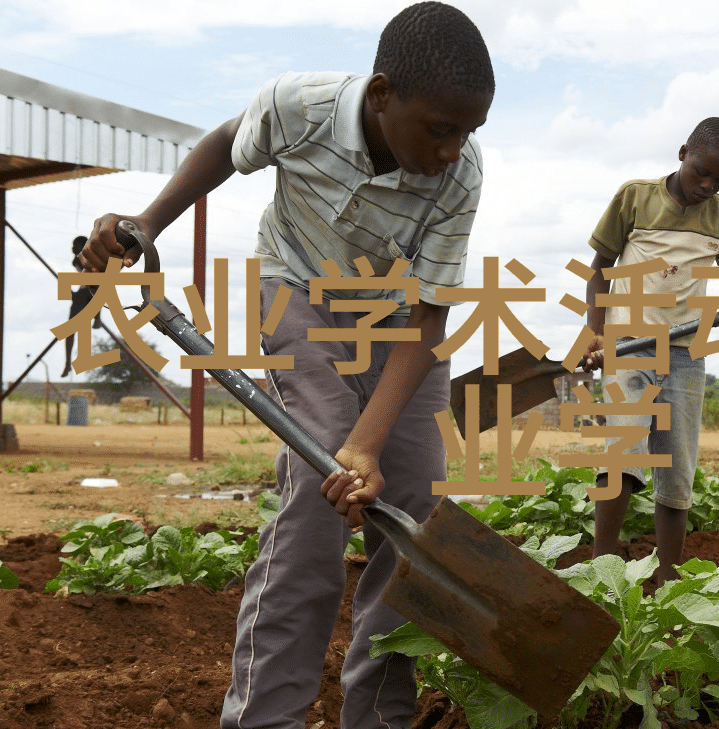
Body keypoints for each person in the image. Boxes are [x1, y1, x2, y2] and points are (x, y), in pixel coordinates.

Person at [79, 4, 494, 728]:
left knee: (415, 503)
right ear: (382, 94)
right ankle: (266, 714)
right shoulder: (297, 105)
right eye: (440, 129)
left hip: (399, 324)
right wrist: (147, 223)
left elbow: (429, 320)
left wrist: (374, 442)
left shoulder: (459, 175)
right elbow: (224, 144)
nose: (453, 149)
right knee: (320, 476)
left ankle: (378, 714)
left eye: (468, 132)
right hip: (299, 294)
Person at [582, 117, 719, 587]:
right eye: (701, 172)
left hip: (686, 354)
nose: (708, 185)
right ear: (682, 153)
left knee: (678, 474)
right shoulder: (635, 198)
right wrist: (593, 333)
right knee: (623, 456)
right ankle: (603, 572)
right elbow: (599, 269)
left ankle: (670, 583)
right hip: (627, 349)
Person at [60, 235, 102, 378]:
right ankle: (67, 363)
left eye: (75, 246)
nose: (73, 249)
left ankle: (97, 319)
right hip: (84, 292)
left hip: (91, 291)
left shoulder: (92, 257)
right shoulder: (77, 260)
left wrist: (97, 317)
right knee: (69, 331)